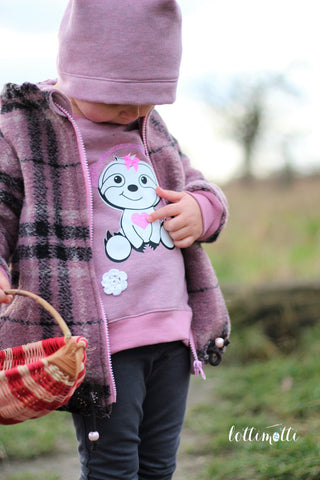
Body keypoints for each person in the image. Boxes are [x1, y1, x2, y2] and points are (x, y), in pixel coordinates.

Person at [0, 1, 230, 479]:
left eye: (148, 98)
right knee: (113, 466)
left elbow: (199, 187)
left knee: (158, 464)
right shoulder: (27, 129)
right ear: (74, 69)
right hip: (99, 339)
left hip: (171, 329)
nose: (133, 110)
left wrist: (200, 210)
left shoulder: (147, 127)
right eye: (117, 96)